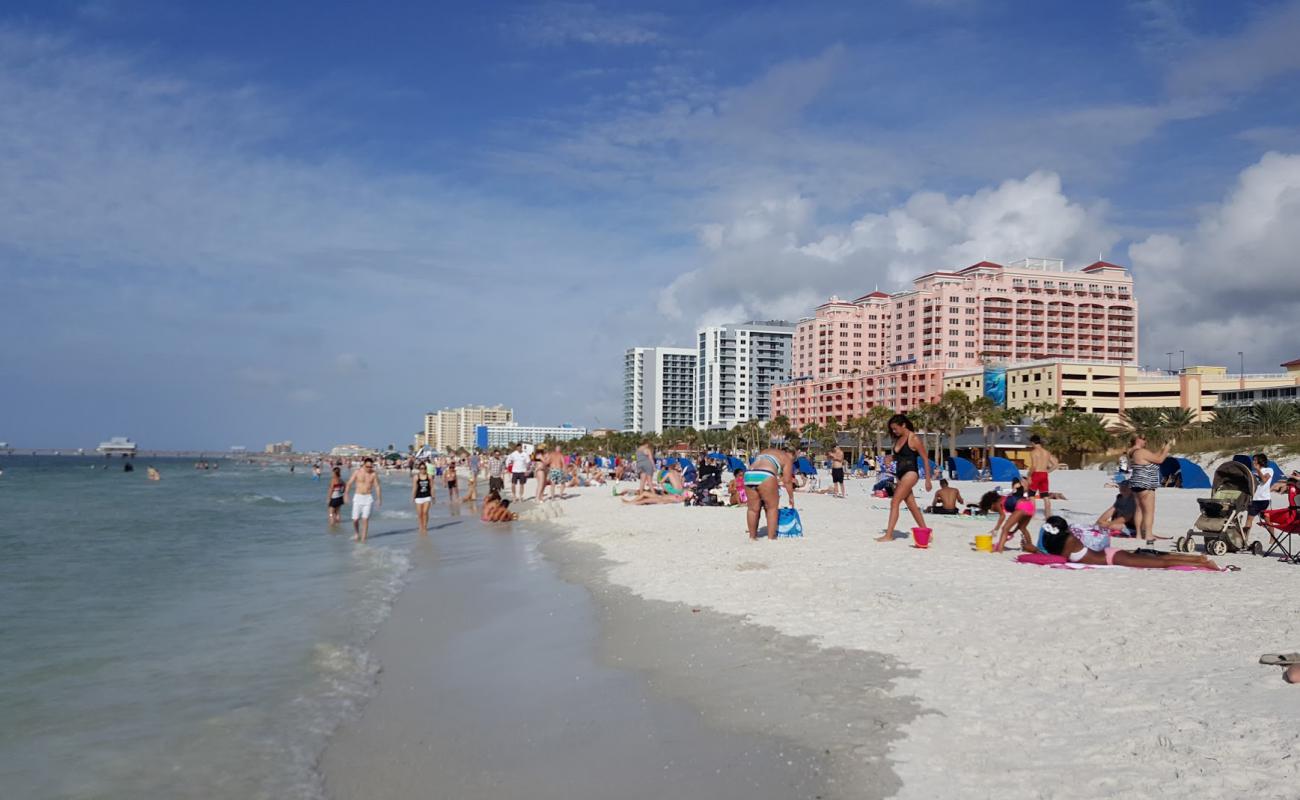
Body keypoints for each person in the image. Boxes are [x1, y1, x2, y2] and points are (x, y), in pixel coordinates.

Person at [1029, 516, 1226, 570]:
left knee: (1160, 563)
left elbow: (1055, 558)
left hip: (1112, 557)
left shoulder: (1068, 541)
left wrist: (1032, 549)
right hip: (1110, 556)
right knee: (1156, 559)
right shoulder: (1066, 540)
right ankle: (1197, 558)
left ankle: (1200, 562)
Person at [876, 414, 932, 542]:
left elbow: (924, 458)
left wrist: (928, 480)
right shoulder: (899, 439)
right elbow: (901, 456)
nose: (894, 431)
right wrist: (890, 457)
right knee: (911, 505)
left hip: (911, 473)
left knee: (894, 502)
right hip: (900, 475)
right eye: (892, 429)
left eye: (895, 429)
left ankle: (889, 535)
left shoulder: (914, 439)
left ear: (904, 425)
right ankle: (926, 533)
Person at [743, 446, 796, 540]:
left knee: (752, 509)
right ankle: (771, 537)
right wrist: (791, 497)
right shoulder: (787, 458)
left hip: (749, 474)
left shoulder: (765, 451)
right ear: (791, 454)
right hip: (766, 473)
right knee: (772, 508)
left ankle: (752, 536)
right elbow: (787, 481)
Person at [1128, 434, 1172, 546]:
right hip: (1146, 484)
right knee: (1149, 511)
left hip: (1136, 483)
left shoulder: (1132, 452)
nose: (1145, 441)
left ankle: (1138, 534)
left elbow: (1152, 456)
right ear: (1137, 439)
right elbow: (1160, 460)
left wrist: (1162, 449)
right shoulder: (1141, 451)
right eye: (1143, 439)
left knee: (1138, 509)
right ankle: (1148, 535)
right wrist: (1166, 450)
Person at [345, 457, 382, 543]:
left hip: (368, 498)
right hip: (358, 497)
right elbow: (349, 483)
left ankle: (363, 539)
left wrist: (379, 498)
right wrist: (346, 495)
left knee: (365, 519)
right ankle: (357, 533)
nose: (369, 468)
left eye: (371, 467)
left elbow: (377, 486)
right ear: (363, 465)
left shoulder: (373, 474)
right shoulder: (357, 472)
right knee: (355, 519)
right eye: (367, 466)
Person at [994, 479, 1035, 552]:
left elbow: (1005, 516)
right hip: (1030, 507)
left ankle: (999, 550)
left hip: (1022, 506)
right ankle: (1030, 546)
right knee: (1023, 528)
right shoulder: (1021, 494)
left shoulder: (1008, 499)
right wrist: (1013, 531)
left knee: (1005, 529)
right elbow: (1018, 523)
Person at [1026, 434, 1060, 517]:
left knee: (1031, 495)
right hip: (1044, 474)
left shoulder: (1034, 452)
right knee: (1045, 496)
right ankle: (1048, 515)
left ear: (1033, 443)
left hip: (1036, 474)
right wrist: (1047, 471)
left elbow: (1034, 466)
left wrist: (1029, 475)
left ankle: (1031, 514)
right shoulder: (1046, 452)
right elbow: (1055, 465)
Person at [1244, 453, 1275, 543]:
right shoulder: (1252, 473)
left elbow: (1264, 480)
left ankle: (1272, 538)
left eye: (1255, 460)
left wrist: (1258, 470)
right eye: (1253, 460)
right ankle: (1245, 538)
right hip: (1254, 499)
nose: (1253, 462)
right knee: (1249, 520)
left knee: (1267, 520)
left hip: (1265, 500)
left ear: (1260, 461)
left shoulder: (1269, 470)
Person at [412, 463, 434, 534]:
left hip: (427, 496)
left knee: (425, 512)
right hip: (418, 497)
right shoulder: (416, 477)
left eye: (424, 468)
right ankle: (420, 526)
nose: (423, 470)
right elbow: (414, 488)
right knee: (419, 513)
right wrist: (413, 497)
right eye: (421, 468)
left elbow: (432, 487)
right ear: (419, 469)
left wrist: (433, 496)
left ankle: (425, 526)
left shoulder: (429, 476)